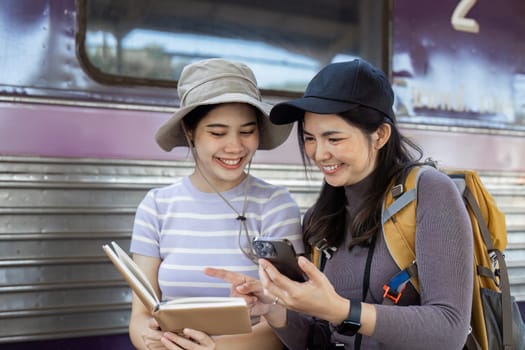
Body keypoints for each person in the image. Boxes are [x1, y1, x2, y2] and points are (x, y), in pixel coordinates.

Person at [206, 58, 474, 349]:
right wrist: (274, 309)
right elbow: (320, 338)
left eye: (334, 138)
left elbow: (449, 330)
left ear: (380, 135)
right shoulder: (319, 218)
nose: (319, 154)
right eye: (310, 138)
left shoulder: (428, 192)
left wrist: (341, 310)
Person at [128, 58, 303, 350]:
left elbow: (288, 322)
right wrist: (152, 341)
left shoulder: (276, 204)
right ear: (190, 131)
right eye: (217, 133)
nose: (235, 147)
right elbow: (140, 316)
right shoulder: (156, 206)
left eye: (247, 131)